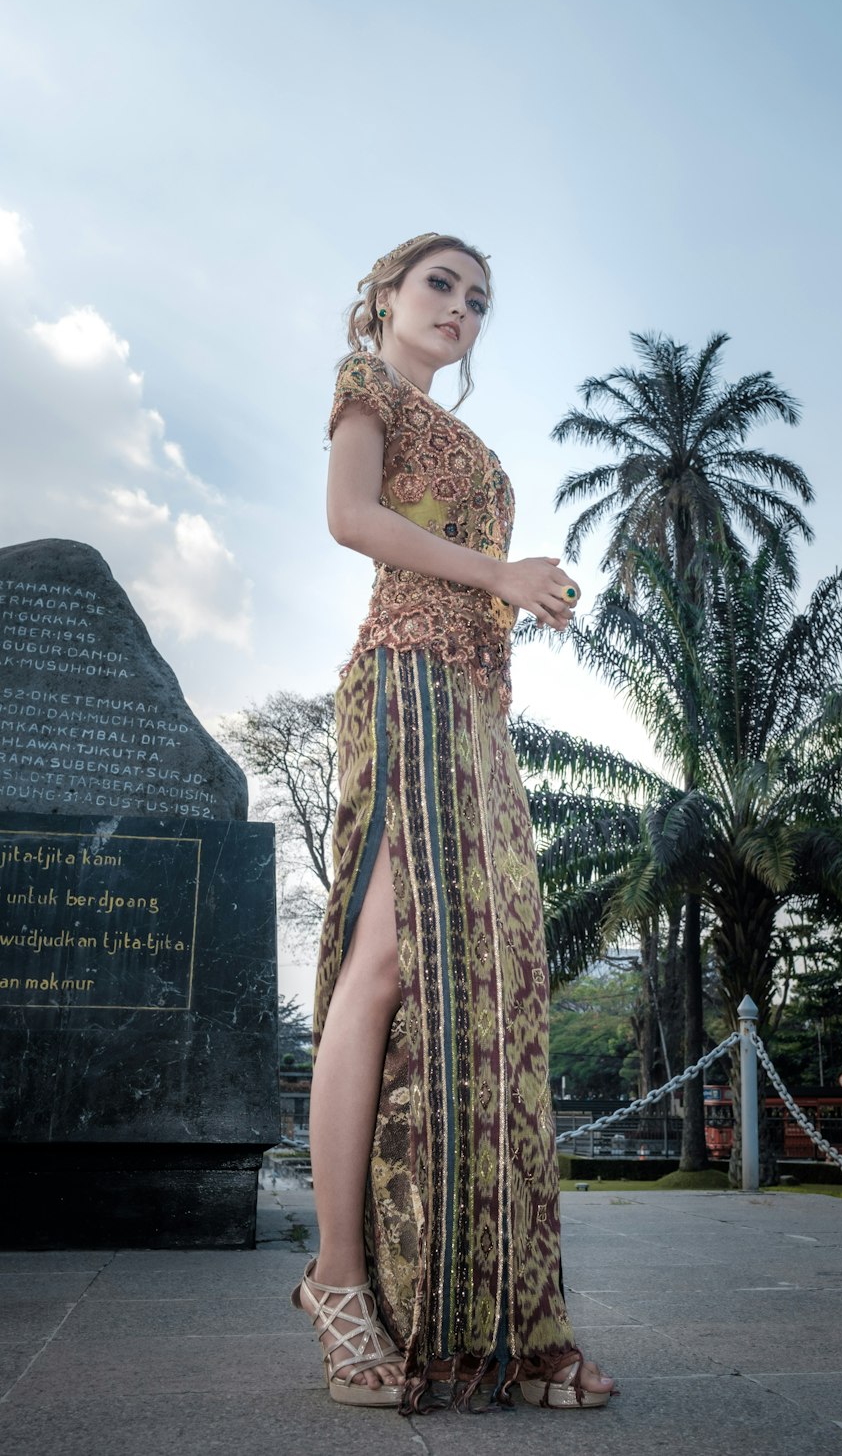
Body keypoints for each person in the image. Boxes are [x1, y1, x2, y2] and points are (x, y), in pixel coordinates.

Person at [292, 233, 618, 1415]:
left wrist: (510, 592)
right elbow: (350, 517)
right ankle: (337, 1279)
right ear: (383, 295)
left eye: (479, 299)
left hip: (474, 711)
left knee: (483, 996)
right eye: (440, 285)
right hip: (409, 683)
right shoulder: (365, 384)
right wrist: (498, 577)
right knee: (382, 967)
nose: (461, 308)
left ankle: (482, 1314)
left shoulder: (466, 436)